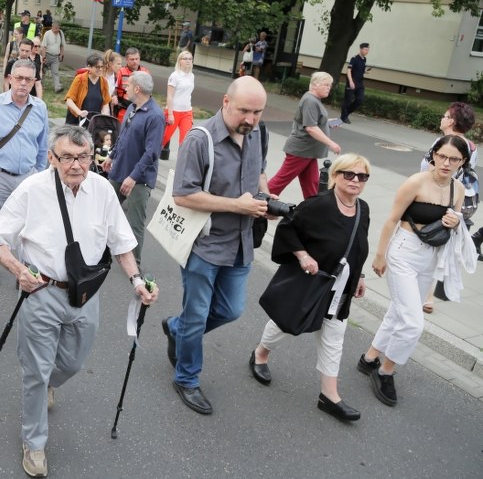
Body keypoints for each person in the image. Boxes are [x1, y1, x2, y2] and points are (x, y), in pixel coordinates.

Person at [0, 124, 158, 478]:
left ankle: (48, 382)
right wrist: (19, 270)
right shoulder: (32, 189)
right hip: (41, 292)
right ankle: (34, 443)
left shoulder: (103, 190)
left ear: (93, 157)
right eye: (67, 157)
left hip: (85, 294)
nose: (76, 165)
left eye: (83, 157)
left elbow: (121, 242)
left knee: (73, 362)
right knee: (35, 372)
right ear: (51, 157)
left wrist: (137, 281)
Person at [161, 76, 270, 415]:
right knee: (196, 317)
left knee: (231, 310)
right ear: (225, 102)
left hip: (241, 243)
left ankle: (176, 328)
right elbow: (183, 195)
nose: (250, 119)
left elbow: (259, 173)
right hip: (204, 245)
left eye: (257, 112)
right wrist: (238, 206)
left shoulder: (257, 134)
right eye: (244, 111)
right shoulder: (199, 139)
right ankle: (187, 379)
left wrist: (266, 199)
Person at [250, 154, 372, 423]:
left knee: (334, 336)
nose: (355, 180)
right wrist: (303, 256)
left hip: (341, 287)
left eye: (362, 176)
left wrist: (359, 276)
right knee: (285, 324)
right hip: (313, 281)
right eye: (349, 174)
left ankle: (329, 395)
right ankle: (260, 353)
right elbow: (287, 228)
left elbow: (358, 246)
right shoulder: (318, 205)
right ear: (336, 175)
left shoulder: (362, 209)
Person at [359, 135, 471, 407]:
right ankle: (385, 372)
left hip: (431, 257)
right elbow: (391, 220)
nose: (446, 163)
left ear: (463, 162)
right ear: (433, 155)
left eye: (454, 159)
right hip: (404, 252)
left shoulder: (458, 189)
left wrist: (454, 222)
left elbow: (455, 225)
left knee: (399, 310)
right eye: (441, 156)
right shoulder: (415, 182)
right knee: (412, 322)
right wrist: (380, 255)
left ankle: (369, 358)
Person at [0, 59, 49, 286]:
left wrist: (40, 174)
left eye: (28, 79)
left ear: (34, 82)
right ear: (10, 79)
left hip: (28, 176)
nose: (23, 83)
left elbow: (43, 146)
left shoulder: (40, 108)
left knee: (28, 226)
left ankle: (24, 269)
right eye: (19, 78)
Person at [102, 71, 164, 266]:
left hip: (139, 179)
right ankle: (100, 252)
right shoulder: (131, 107)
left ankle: (133, 265)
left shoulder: (155, 116)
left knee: (134, 222)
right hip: (119, 170)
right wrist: (112, 156)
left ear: (137, 89)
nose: (125, 88)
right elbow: (123, 136)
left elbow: (152, 153)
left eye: (128, 85)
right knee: (104, 213)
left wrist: (133, 177)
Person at [422, 103, 479, 311]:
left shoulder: (443, 143)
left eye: (445, 116)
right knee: (440, 247)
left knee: (427, 244)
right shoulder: (471, 147)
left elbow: (431, 172)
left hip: (435, 198)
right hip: (455, 200)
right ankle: (429, 296)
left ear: (452, 121)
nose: (442, 118)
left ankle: (426, 295)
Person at [267, 71, 341, 199]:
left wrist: (326, 123)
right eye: (326, 85)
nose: (329, 88)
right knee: (281, 181)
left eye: (330, 85)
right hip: (301, 150)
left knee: (312, 185)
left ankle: (312, 207)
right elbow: (310, 128)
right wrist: (331, 143)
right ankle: (259, 200)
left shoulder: (313, 100)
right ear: (315, 84)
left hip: (308, 151)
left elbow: (312, 122)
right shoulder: (310, 101)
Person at [64, 54, 110, 124]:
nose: (100, 69)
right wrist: (79, 112)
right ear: (89, 67)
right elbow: (69, 100)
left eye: (102, 67)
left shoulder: (104, 82)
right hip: (76, 120)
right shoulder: (80, 79)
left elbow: (106, 102)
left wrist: (105, 115)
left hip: (93, 122)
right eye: (97, 67)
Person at [164, 50, 195, 146]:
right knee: (164, 138)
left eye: (190, 59)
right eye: (185, 58)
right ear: (180, 61)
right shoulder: (175, 76)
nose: (188, 61)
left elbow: (188, 94)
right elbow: (169, 95)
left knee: (186, 141)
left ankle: (182, 156)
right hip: (173, 111)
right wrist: (170, 114)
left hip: (187, 112)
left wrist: (190, 114)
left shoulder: (192, 76)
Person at [114, 47, 148, 119]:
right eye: (132, 59)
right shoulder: (120, 72)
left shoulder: (145, 72)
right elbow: (114, 89)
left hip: (140, 107)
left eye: (137, 59)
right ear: (126, 59)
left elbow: (148, 91)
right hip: (123, 107)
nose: (135, 61)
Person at [340, 42, 369, 124]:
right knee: (348, 100)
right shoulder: (354, 59)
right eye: (365, 49)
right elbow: (349, 70)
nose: (367, 51)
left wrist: (364, 71)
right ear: (361, 49)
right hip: (352, 82)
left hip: (360, 83)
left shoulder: (364, 59)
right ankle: (343, 116)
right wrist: (351, 81)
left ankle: (346, 113)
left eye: (368, 50)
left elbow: (359, 69)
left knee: (360, 99)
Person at [40, 21, 66, 93]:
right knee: (43, 71)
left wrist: (61, 54)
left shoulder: (60, 33)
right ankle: (40, 85)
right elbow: (43, 46)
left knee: (55, 72)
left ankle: (57, 87)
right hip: (47, 55)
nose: (56, 30)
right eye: (55, 28)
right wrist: (43, 57)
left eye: (58, 28)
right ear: (52, 26)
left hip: (56, 57)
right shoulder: (47, 33)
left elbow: (62, 45)